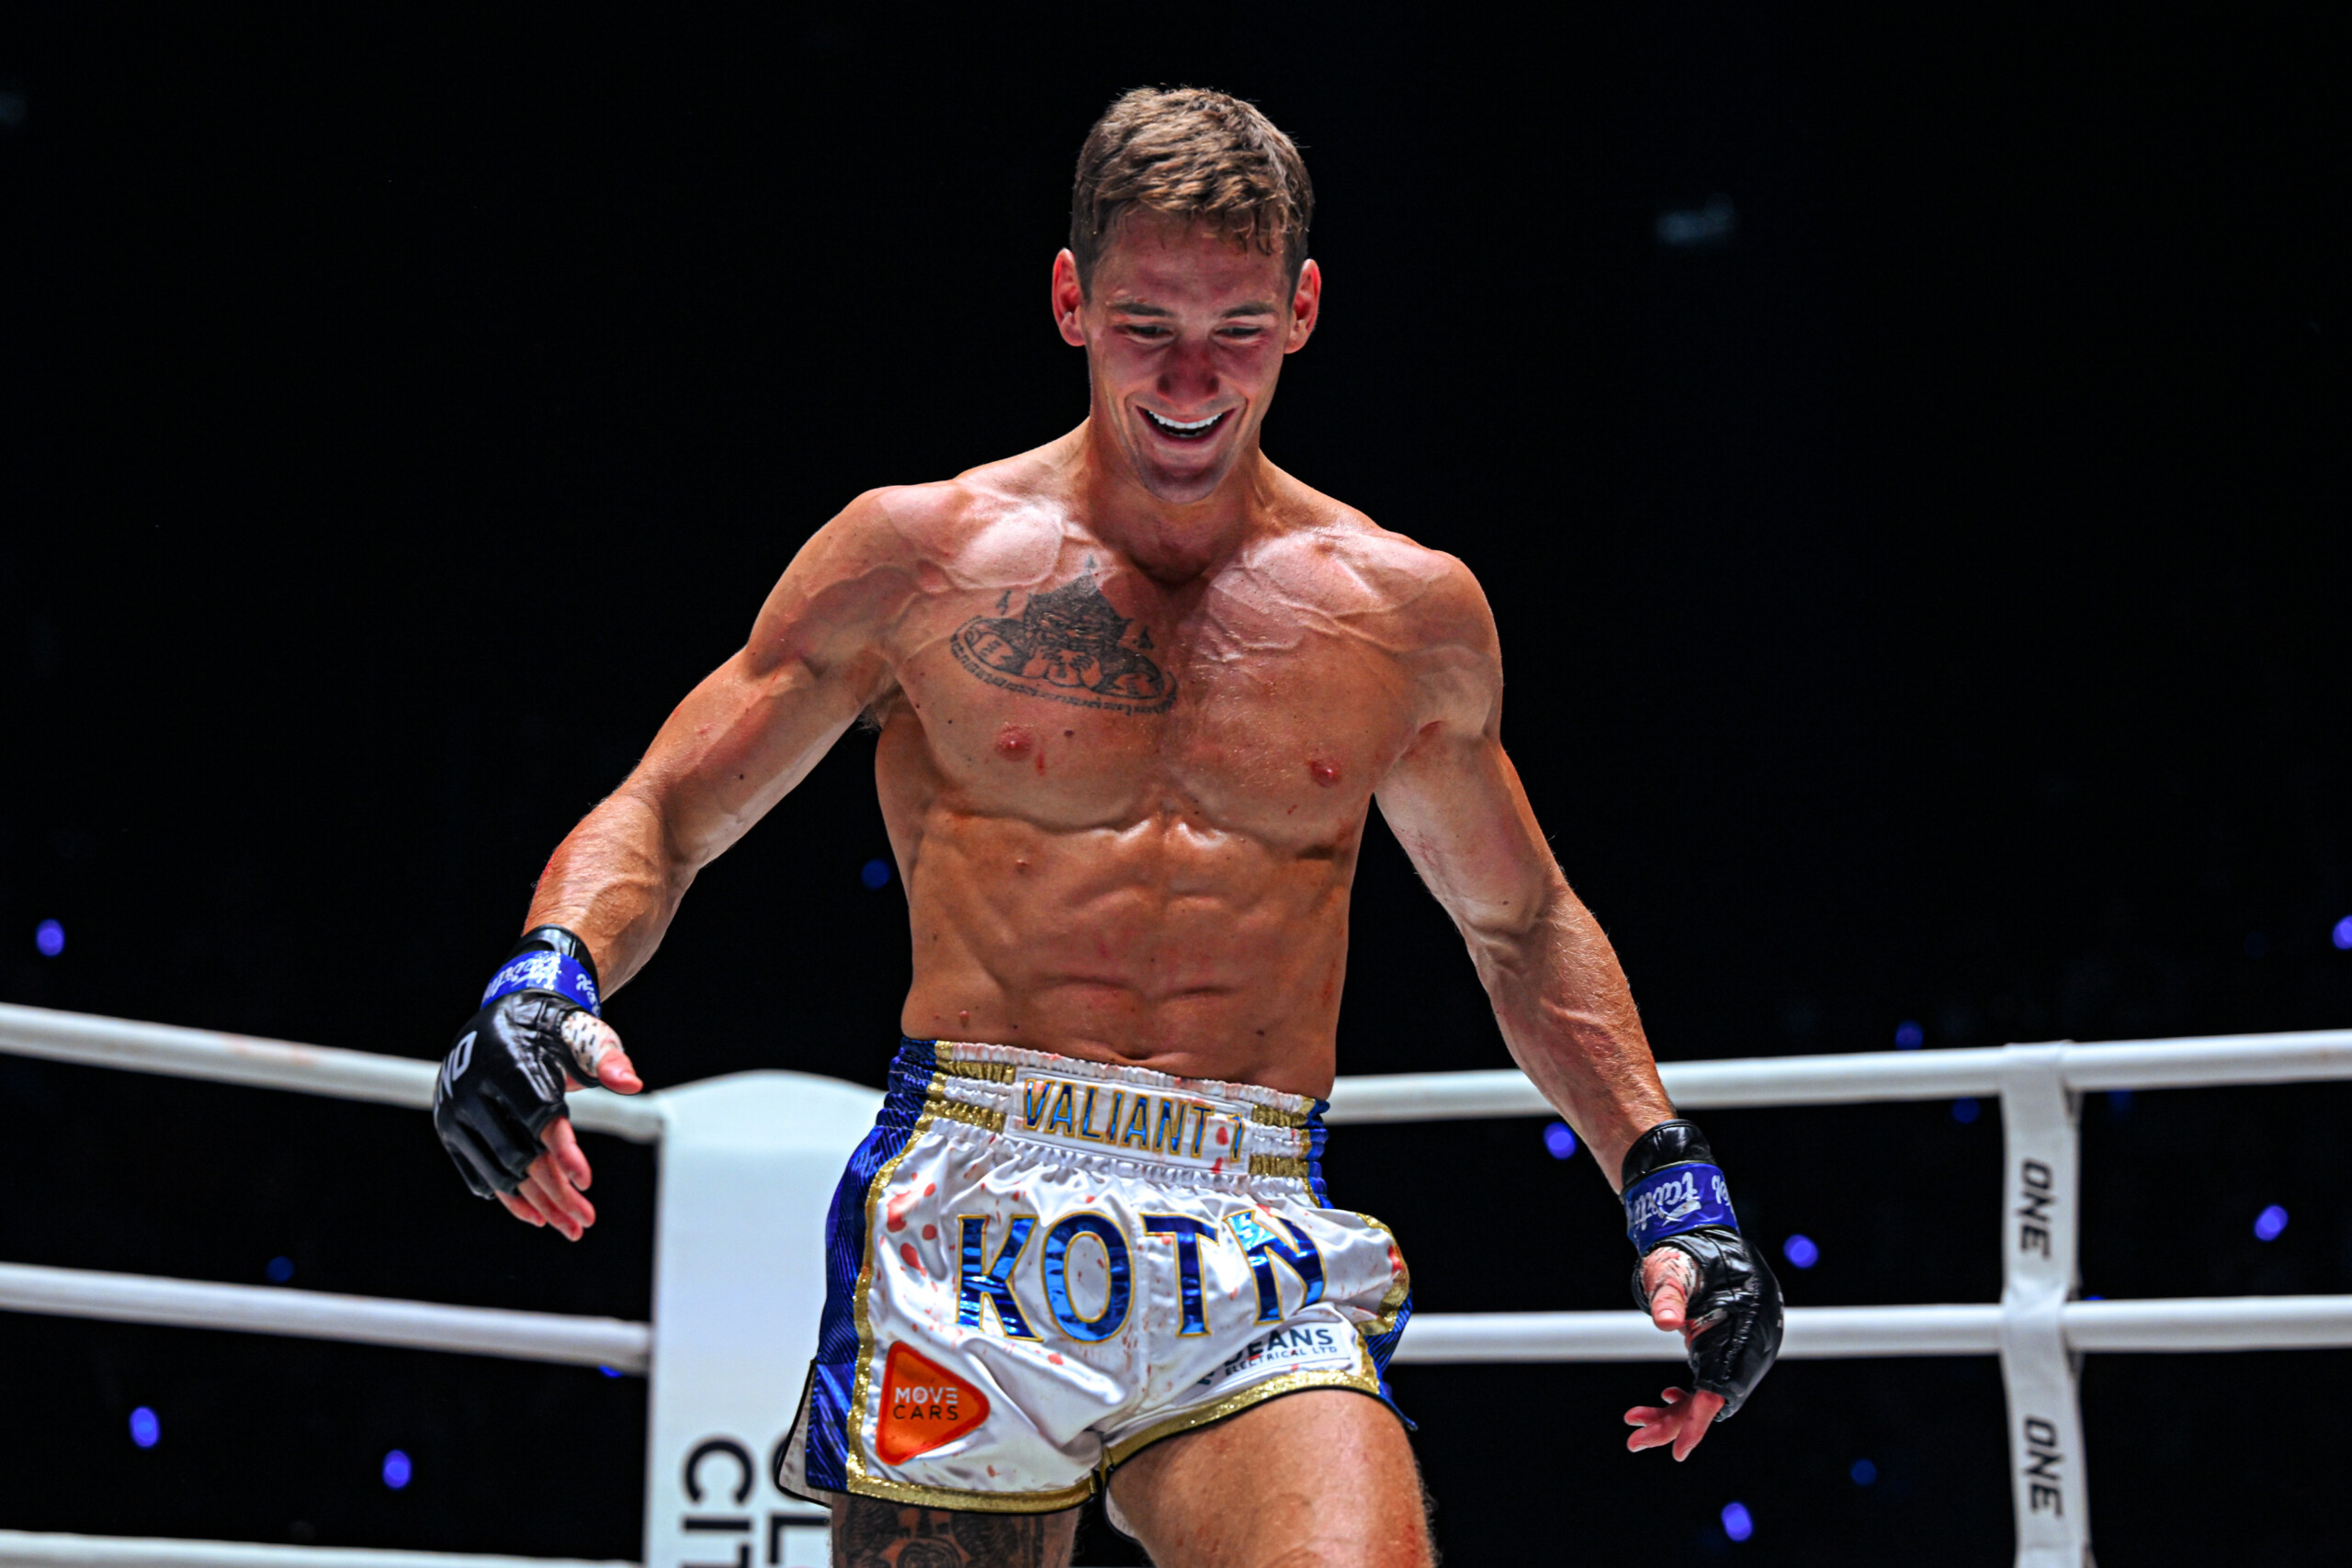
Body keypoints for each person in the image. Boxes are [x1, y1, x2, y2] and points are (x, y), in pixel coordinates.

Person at [430, 86, 1781, 1568]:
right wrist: (545, 973)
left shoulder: (1405, 614)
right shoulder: (921, 558)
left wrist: (1671, 1182)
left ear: (1304, 309)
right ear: (1071, 300)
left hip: (1250, 1222)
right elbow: (668, 809)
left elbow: (1520, 923)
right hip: (971, 1208)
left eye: (1237, 328)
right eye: (1148, 324)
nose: (1191, 377)